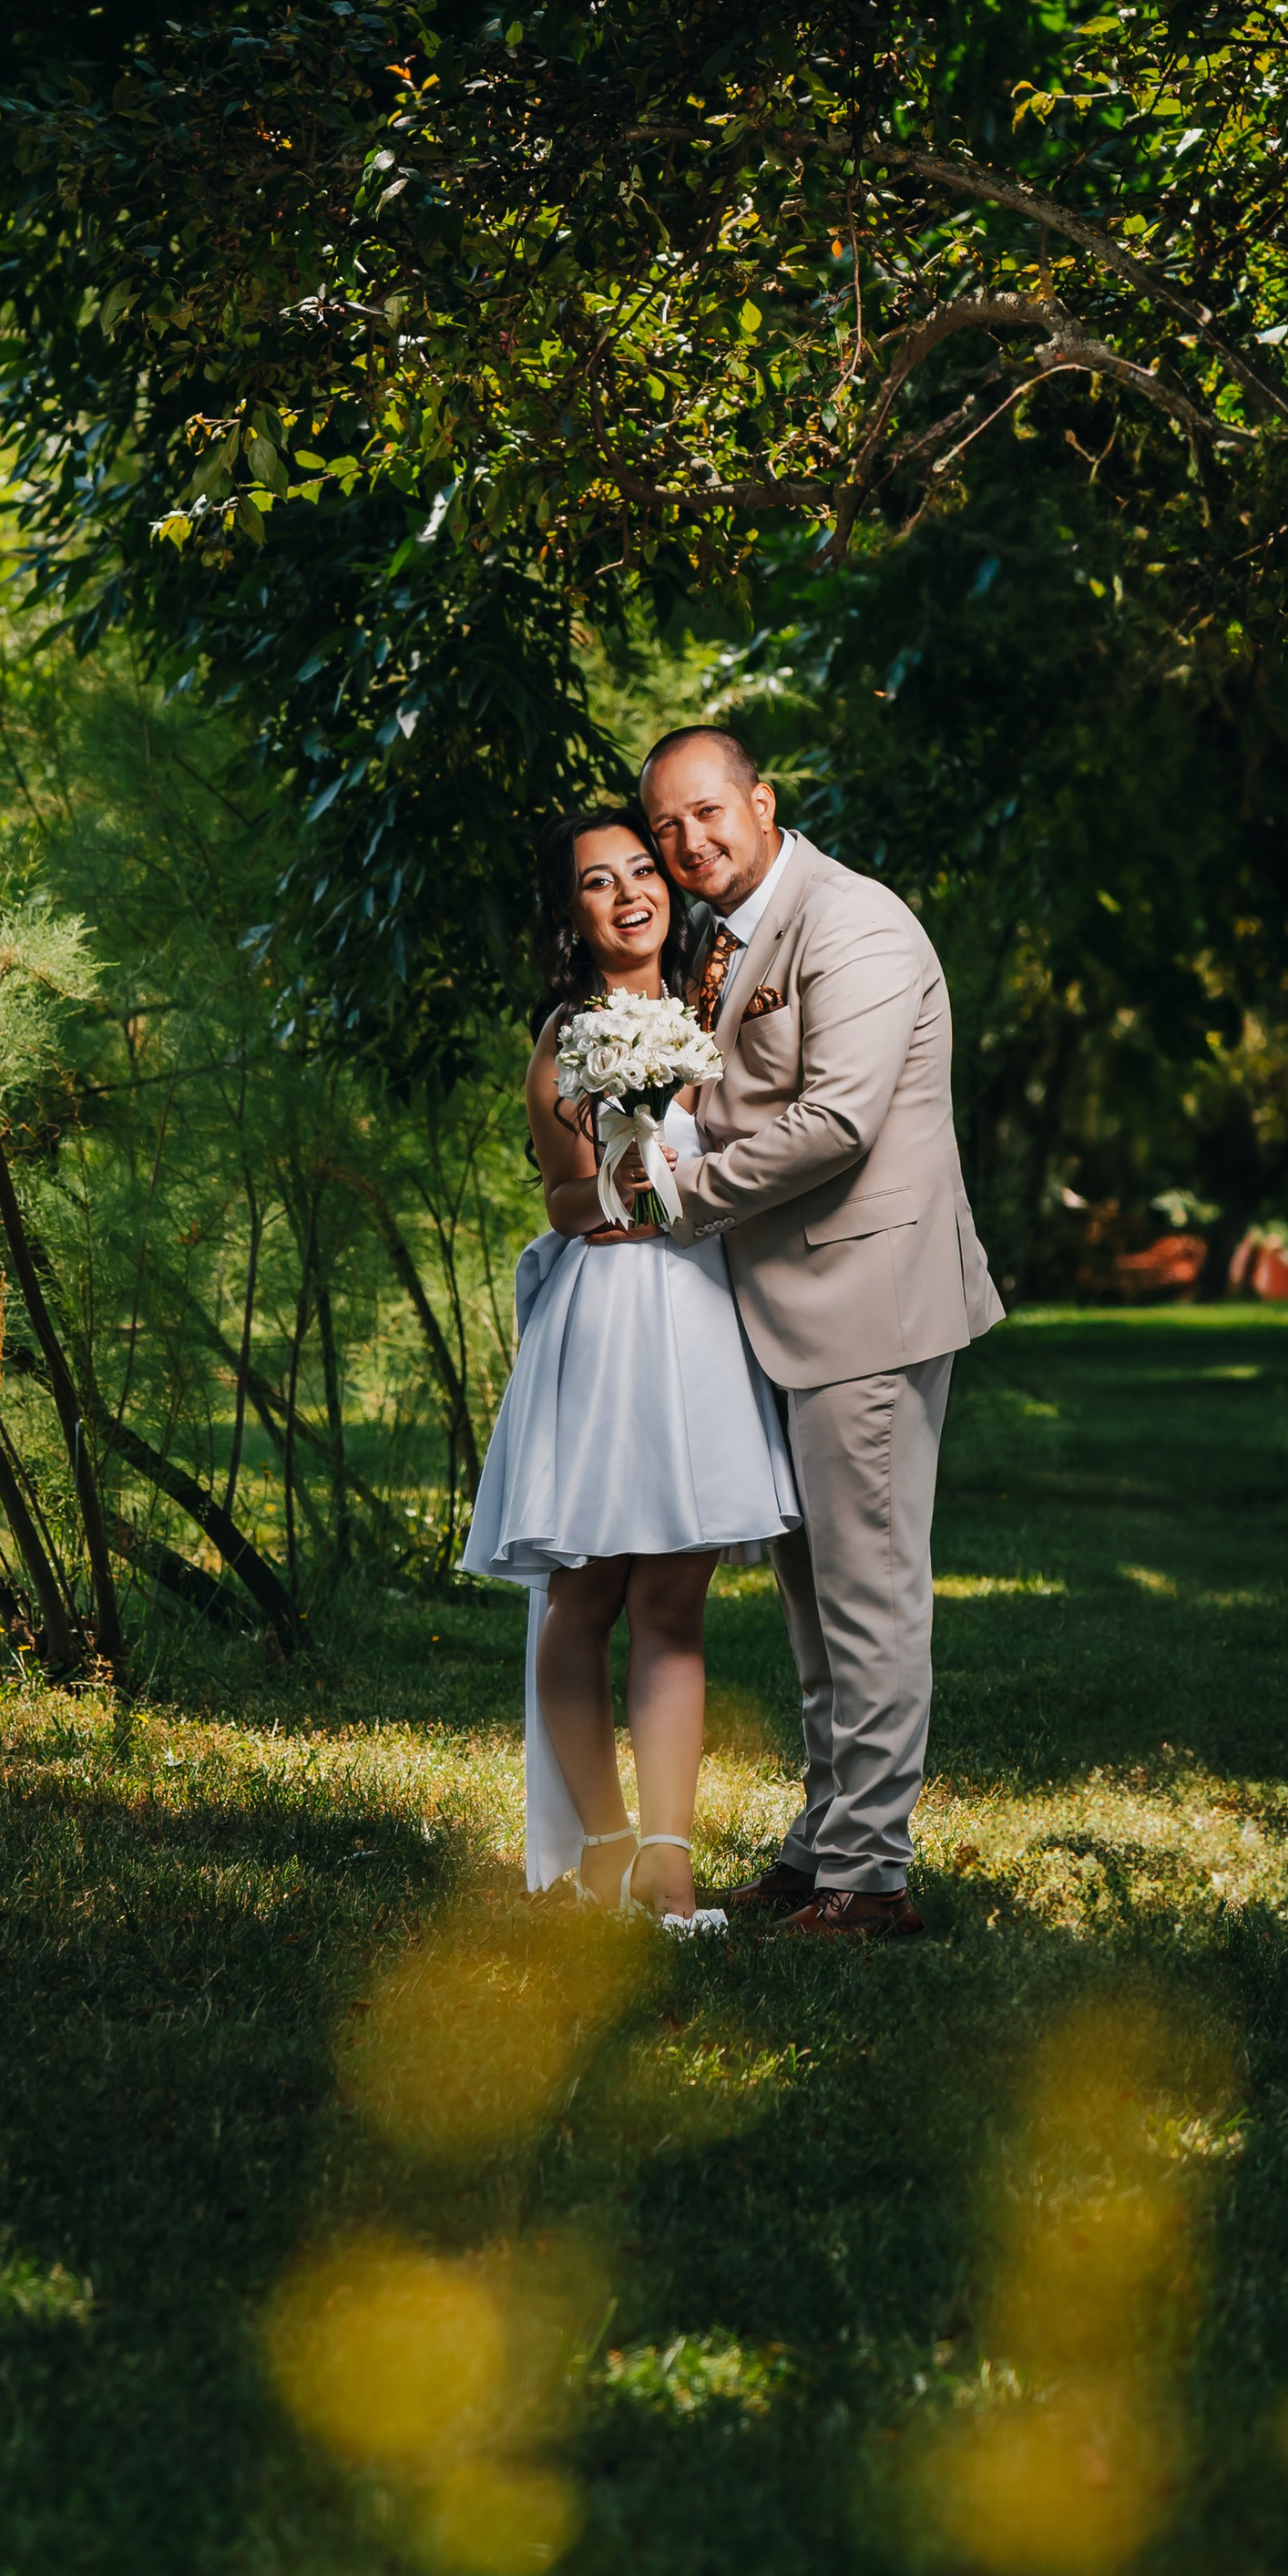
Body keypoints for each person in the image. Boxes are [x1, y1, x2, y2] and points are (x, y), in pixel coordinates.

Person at [639, 725, 1005, 1939]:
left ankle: (873, 1878)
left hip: (868, 1306)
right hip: (788, 1311)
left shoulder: (854, 923)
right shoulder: (726, 938)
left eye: (706, 812)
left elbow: (838, 1120)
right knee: (812, 1603)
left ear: (761, 800)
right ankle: (823, 1843)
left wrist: (685, 1192)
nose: (689, 842)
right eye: (667, 829)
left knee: (869, 1593)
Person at [460, 806, 801, 1930]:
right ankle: (601, 1839)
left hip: (701, 1322)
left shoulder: (719, 1003)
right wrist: (620, 1192)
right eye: (596, 882)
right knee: (588, 1589)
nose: (628, 893)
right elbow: (560, 1194)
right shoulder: (570, 1033)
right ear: (572, 914)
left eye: (641, 870)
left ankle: (668, 1859)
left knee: (675, 1596)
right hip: (608, 1323)